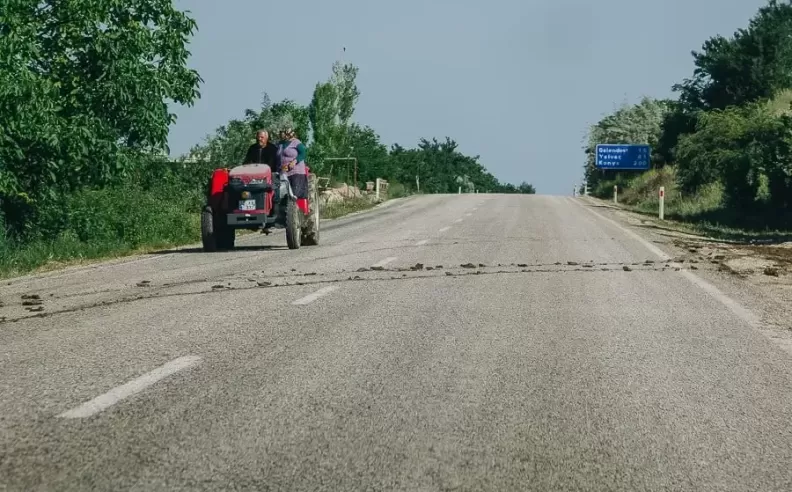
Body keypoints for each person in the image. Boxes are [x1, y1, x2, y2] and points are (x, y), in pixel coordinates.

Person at [276, 128, 309, 200]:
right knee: (283, 195)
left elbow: (303, 153)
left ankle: (296, 209)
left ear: (288, 134)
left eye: (282, 133)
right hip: (283, 173)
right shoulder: (280, 144)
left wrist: (294, 161)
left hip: (296, 172)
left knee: (293, 195)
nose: (280, 134)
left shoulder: (296, 142)